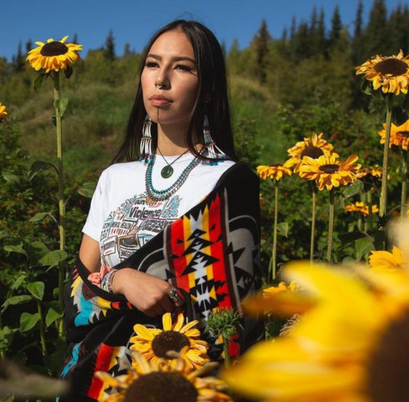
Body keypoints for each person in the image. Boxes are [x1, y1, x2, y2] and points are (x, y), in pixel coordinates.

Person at [60, 20, 263, 401]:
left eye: (182, 67)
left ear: (209, 89)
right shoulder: (114, 178)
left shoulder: (230, 183)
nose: (162, 79)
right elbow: (77, 287)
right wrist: (121, 281)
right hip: (101, 381)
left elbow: (236, 314)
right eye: (153, 64)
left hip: (188, 381)